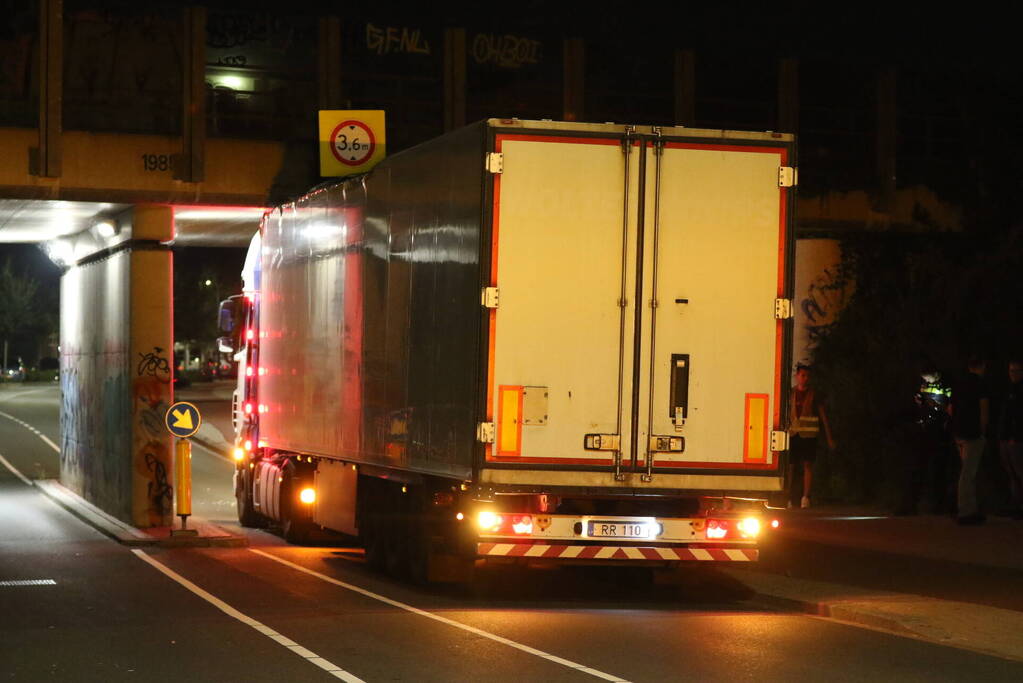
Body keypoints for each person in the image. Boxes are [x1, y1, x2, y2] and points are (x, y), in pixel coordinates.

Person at [897, 361, 953, 515]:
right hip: (924, 430)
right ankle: (910, 505)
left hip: (941, 432)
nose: (926, 381)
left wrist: (935, 405)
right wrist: (919, 402)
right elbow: (919, 401)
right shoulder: (923, 383)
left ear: (935, 374)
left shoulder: (946, 384)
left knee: (939, 470)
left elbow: (950, 406)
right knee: (917, 468)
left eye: (927, 378)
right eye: (924, 379)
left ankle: (939, 506)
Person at [788, 363, 834, 509]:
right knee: (790, 466)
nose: (805, 378)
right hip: (793, 435)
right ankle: (789, 497)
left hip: (809, 436)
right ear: (797, 376)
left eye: (807, 376)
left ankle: (805, 497)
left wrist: (829, 437)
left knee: (808, 465)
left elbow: (823, 416)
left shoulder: (815, 394)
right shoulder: (790, 393)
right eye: (802, 375)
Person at [949, 356, 989, 525]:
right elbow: (983, 410)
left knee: (967, 471)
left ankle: (970, 509)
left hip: (958, 432)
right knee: (968, 473)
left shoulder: (959, 384)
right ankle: (965, 511)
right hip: (972, 433)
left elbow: (950, 408)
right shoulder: (980, 384)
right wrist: (983, 430)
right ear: (982, 366)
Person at [997, 359, 1023, 520]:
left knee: (1019, 472)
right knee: (1012, 474)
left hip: (1016, 439)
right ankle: (1016, 505)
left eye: (1016, 371)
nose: (1013, 374)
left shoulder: (1019, 390)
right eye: (1011, 371)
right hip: (1006, 438)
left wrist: (1016, 435)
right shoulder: (1008, 389)